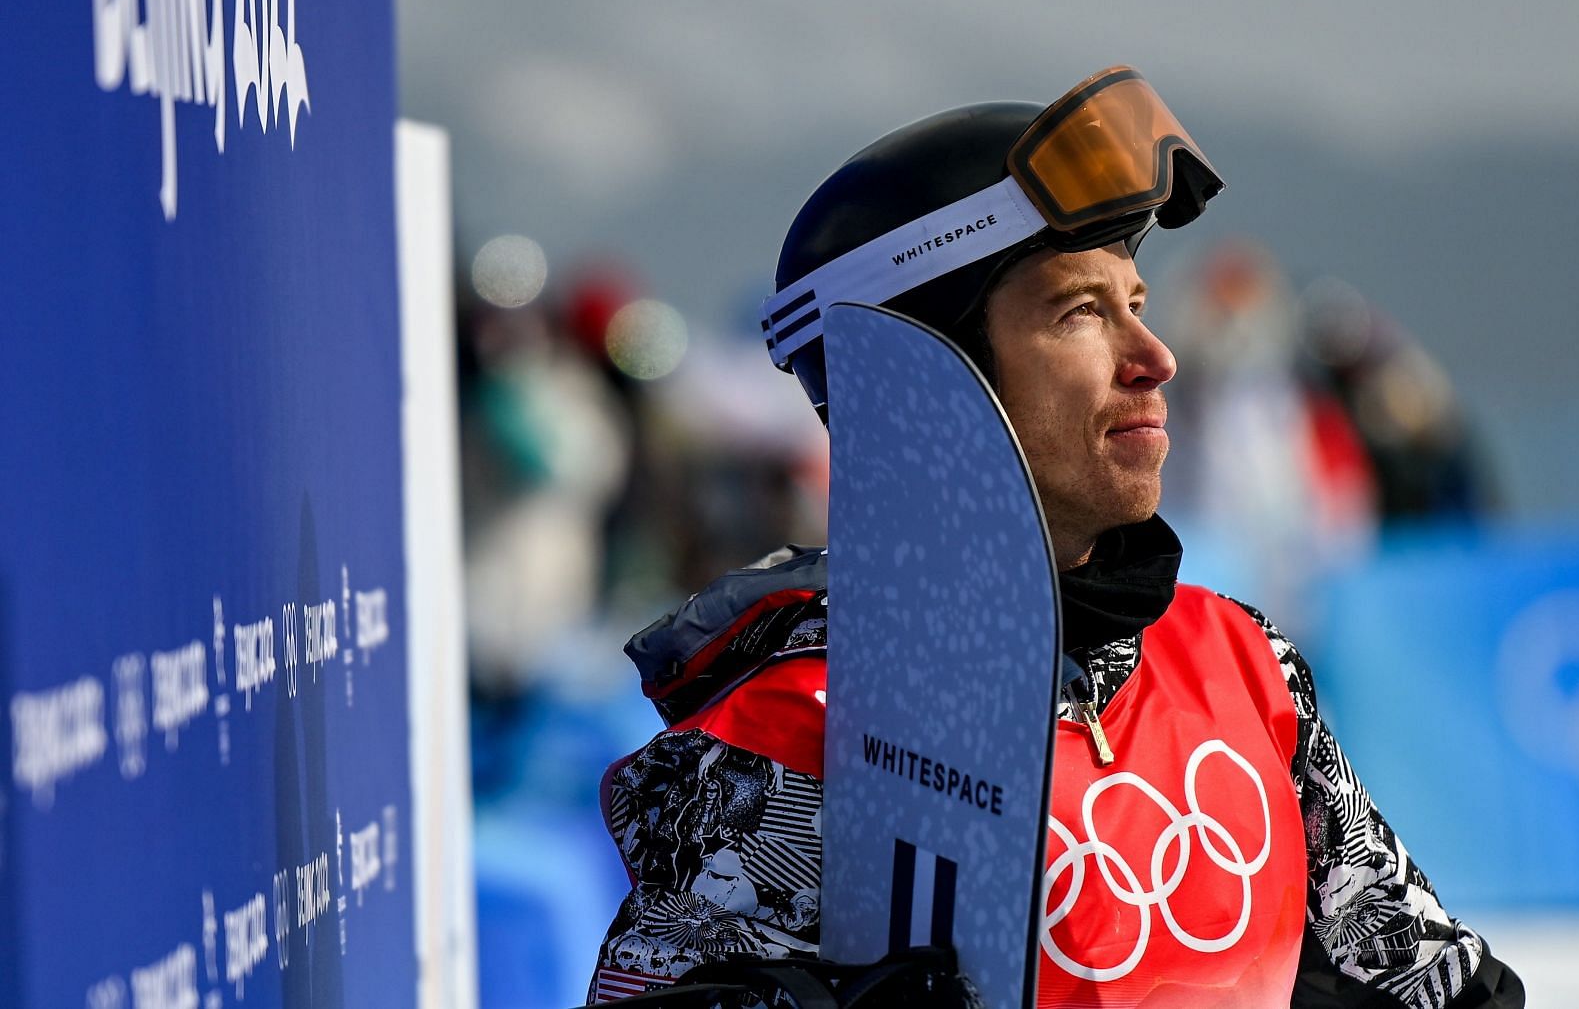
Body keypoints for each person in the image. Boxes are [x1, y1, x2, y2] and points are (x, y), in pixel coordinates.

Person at [585, 68, 1524, 1007]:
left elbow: (1435, 983)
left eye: (1139, 305)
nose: (1155, 359)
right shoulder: (791, 734)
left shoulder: (1240, 662)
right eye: (1079, 311)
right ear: (920, 378)